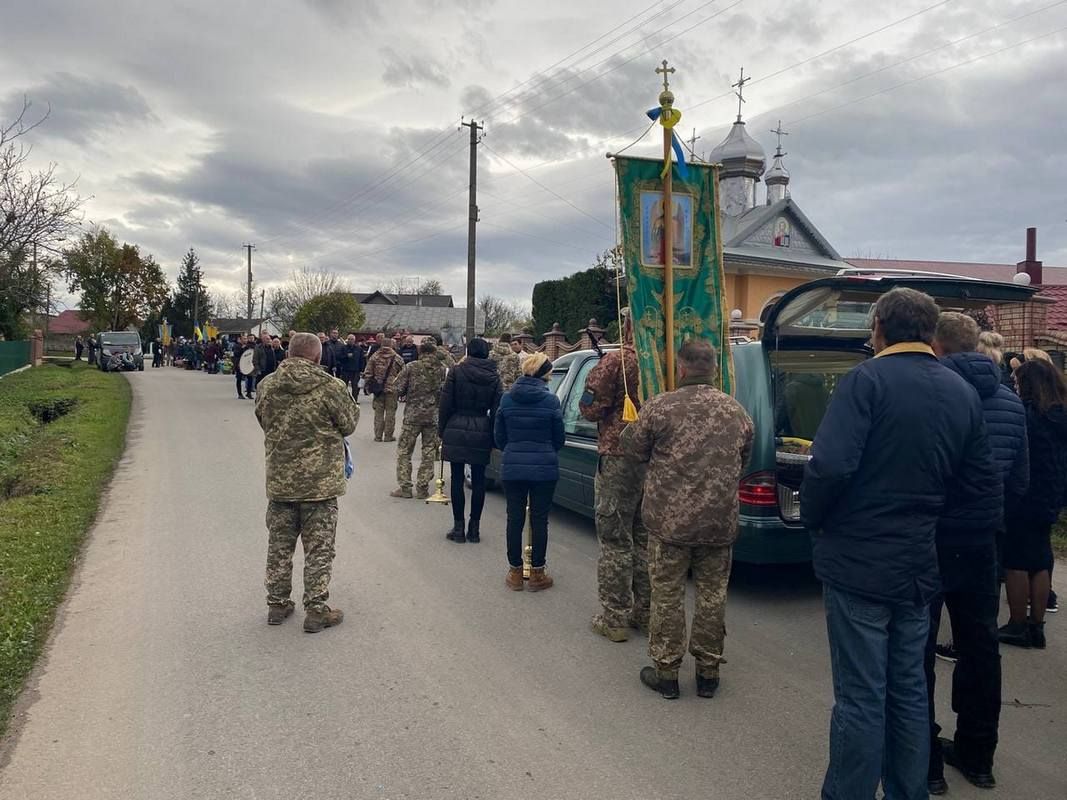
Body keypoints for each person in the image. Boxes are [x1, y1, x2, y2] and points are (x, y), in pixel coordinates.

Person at [801, 287, 994, 800]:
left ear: (880, 328)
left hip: (859, 560)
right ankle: (909, 792)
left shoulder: (866, 381)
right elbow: (978, 483)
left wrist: (815, 520)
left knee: (862, 694)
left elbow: (830, 466)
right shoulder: (960, 392)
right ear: (930, 332)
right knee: (908, 689)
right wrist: (927, 519)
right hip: (918, 564)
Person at [926, 312, 1027, 793]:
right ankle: (978, 754)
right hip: (984, 539)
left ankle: (924, 759)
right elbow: (1021, 481)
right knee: (981, 646)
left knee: (917, 647)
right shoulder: (1011, 401)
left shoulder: (931, 395)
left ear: (937, 346)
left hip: (932, 536)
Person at [620, 339, 753, 700]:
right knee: (712, 596)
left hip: (669, 524)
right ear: (713, 368)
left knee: (667, 595)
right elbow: (745, 460)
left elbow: (632, 449)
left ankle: (667, 672)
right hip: (718, 524)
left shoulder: (660, 408)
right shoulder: (737, 412)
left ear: (680, 367)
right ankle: (708, 672)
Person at [255, 332, 359, 633]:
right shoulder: (331, 387)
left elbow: (262, 418)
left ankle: (277, 604)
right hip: (320, 484)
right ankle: (315, 609)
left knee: (279, 545)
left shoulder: (267, 385)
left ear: (288, 353)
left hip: (281, 481)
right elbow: (349, 424)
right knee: (320, 548)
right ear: (317, 356)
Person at [579, 308, 648, 642]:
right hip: (654, 459)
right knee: (645, 540)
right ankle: (646, 613)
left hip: (619, 455)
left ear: (628, 324)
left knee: (616, 539)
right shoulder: (662, 362)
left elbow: (590, 408)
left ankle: (615, 617)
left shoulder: (616, 361)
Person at [1000, 359, 1067, 650]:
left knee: (1015, 560)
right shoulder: (1060, 416)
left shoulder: (1026, 415)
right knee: (1040, 558)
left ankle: (1017, 624)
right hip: (1051, 495)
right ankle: (1037, 626)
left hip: (1024, 494)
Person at [494, 352, 564, 591]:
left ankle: (514, 572)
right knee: (539, 520)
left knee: (514, 518)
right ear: (545, 374)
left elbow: (499, 437)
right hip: (544, 468)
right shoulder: (551, 401)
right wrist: (545, 450)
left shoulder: (506, 399)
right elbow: (559, 438)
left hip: (512, 466)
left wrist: (513, 450)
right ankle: (537, 573)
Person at [439, 337, 502, 543]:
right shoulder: (494, 376)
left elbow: (445, 403)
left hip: (457, 424)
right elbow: (497, 410)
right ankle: (474, 529)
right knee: (479, 480)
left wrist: (442, 430)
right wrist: (494, 436)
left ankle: (458, 528)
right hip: (482, 427)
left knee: (457, 479)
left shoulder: (457, 371)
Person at [390, 341, 447, 499]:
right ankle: (423, 487)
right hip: (432, 416)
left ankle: (405, 487)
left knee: (404, 451)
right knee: (428, 451)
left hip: (413, 416)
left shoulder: (412, 367)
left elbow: (398, 389)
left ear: (421, 352)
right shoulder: (442, 369)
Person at [362, 337, 404, 441]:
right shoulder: (397, 358)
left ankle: (378, 436)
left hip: (378, 389)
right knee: (390, 413)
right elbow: (403, 374)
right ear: (391, 345)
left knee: (378, 413)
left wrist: (369, 385)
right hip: (392, 389)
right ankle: (388, 436)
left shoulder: (374, 357)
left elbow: (367, 372)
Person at [234, 334, 255, 399]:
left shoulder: (249, 345)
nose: (245, 340)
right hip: (239, 365)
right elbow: (236, 354)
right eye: (244, 339)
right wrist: (242, 348)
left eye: (246, 338)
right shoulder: (237, 346)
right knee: (239, 379)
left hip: (247, 365)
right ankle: (240, 394)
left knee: (250, 378)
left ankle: (249, 393)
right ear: (240, 339)